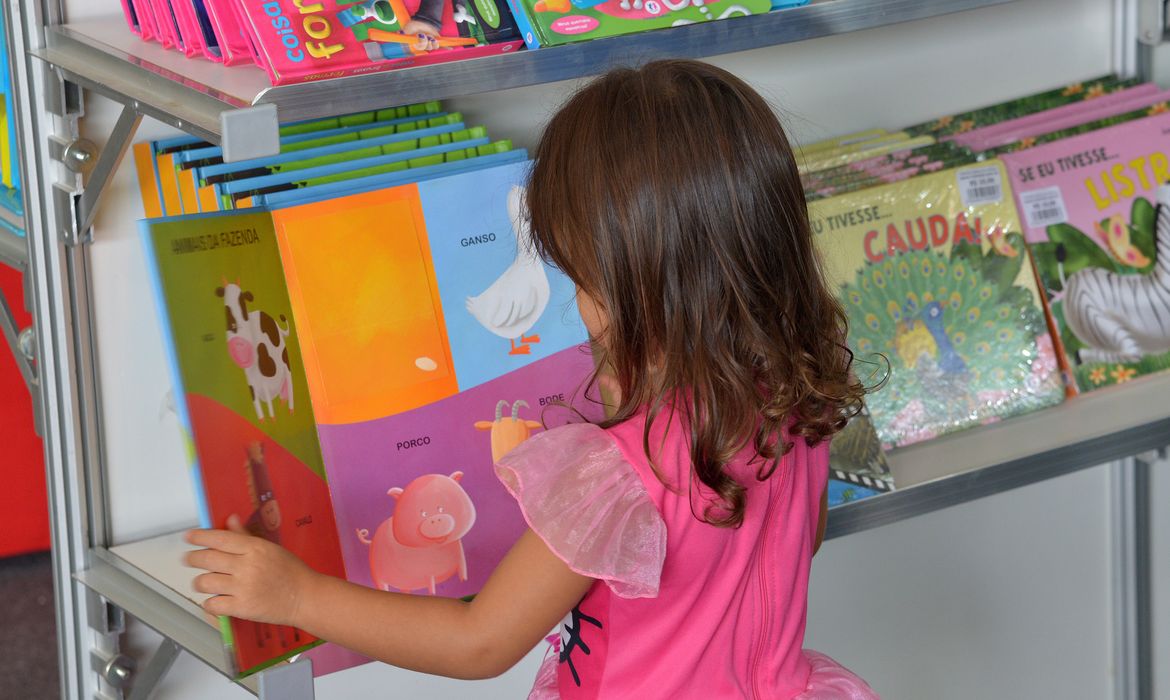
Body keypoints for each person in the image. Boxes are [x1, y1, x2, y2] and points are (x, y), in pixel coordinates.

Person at [185, 59, 879, 699]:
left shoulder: (619, 475)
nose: (579, 310)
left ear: (637, 294)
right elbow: (791, 542)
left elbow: (480, 642)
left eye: (581, 281)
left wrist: (297, 597)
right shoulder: (795, 406)